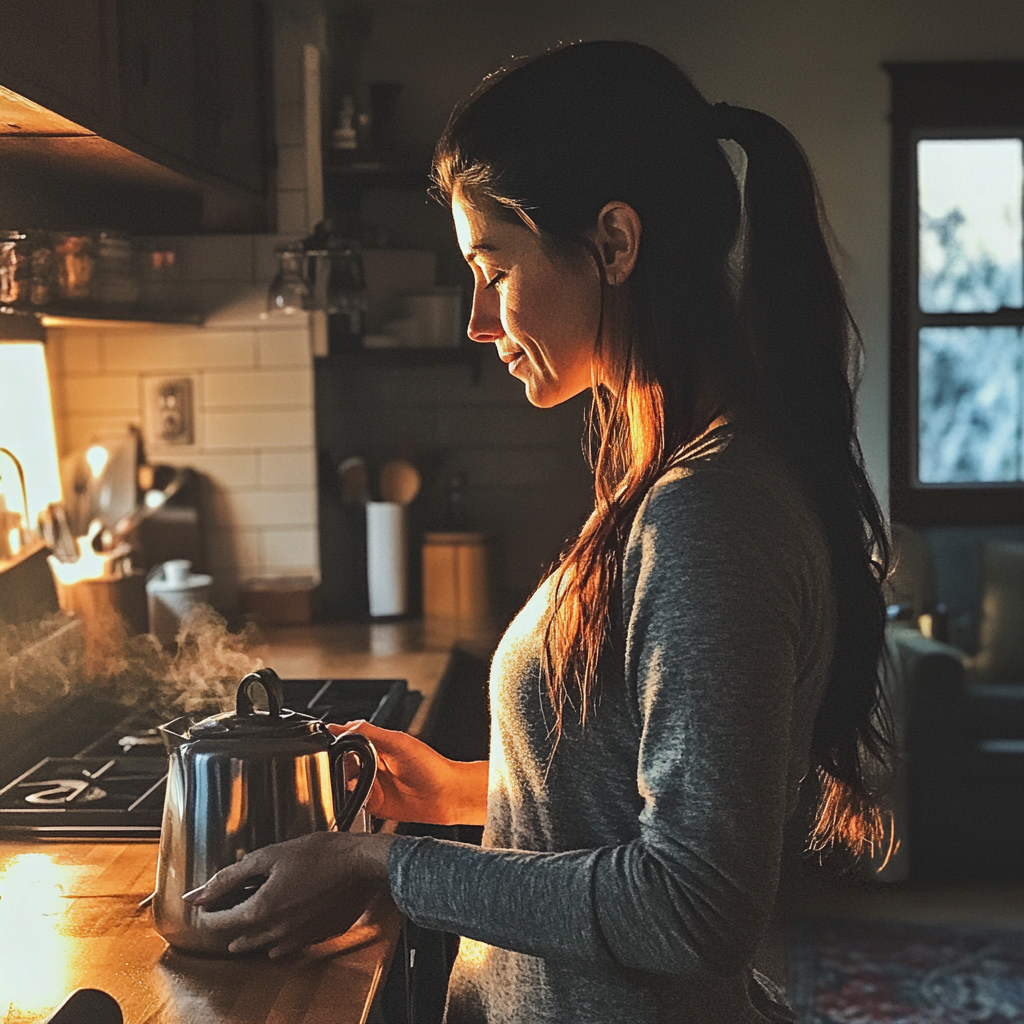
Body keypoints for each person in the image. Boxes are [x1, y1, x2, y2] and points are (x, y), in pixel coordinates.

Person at [185, 40, 892, 1024]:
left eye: (494, 267)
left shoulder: (708, 513)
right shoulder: (674, 481)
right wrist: (468, 789)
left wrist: (381, 861)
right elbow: (631, 792)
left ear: (613, 242)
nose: (478, 319)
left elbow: (694, 906)